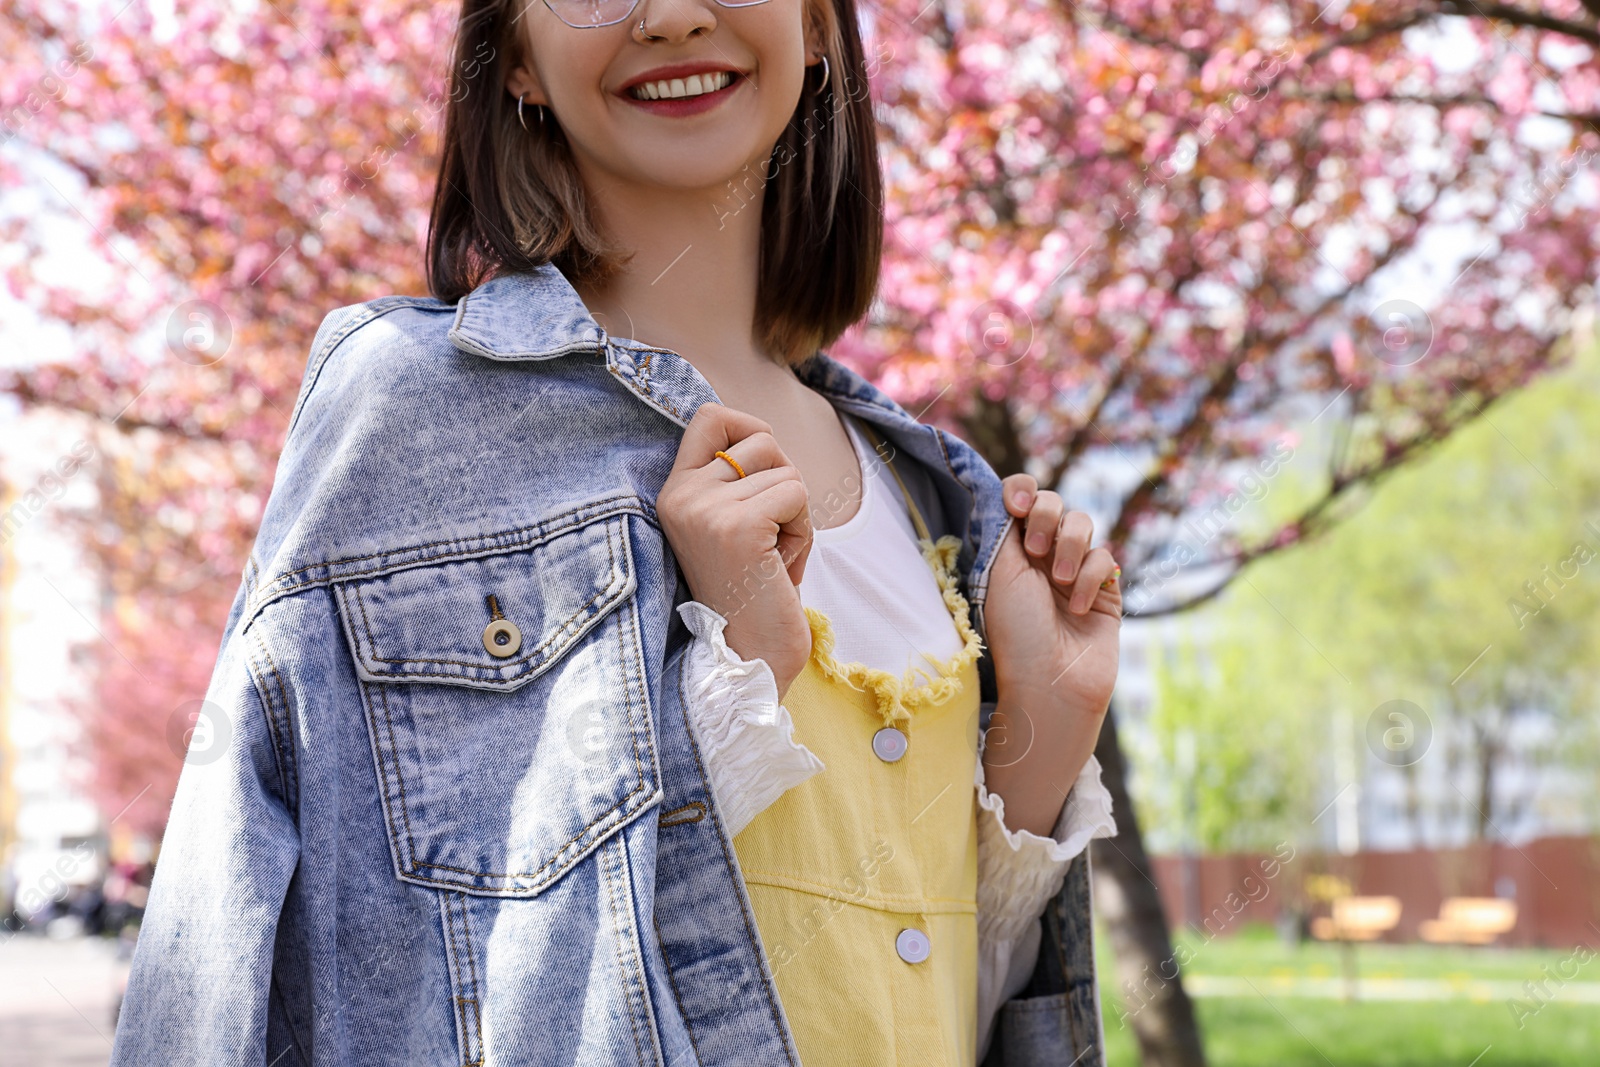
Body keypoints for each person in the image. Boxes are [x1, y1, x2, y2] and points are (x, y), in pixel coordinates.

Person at [109, 0, 1122, 1062]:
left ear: (819, 28)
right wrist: (738, 674)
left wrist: (1046, 726)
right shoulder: (406, 412)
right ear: (516, 62)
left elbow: (931, 999)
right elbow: (215, 945)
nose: (676, 17)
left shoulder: (929, 496)